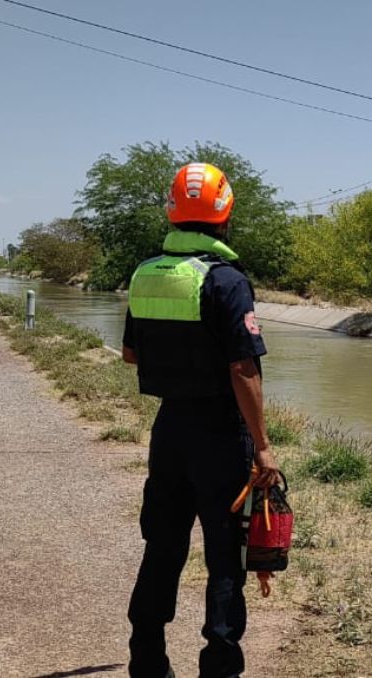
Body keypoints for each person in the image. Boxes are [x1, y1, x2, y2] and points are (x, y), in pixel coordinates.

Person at [121, 162, 281, 678]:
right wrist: (262, 447)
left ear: (173, 213)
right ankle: (219, 667)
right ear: (225, 213)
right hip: (220, 436)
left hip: (169, 432)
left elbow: (130, 355)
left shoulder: (146, 274)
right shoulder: (227, 281)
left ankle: (147, 662)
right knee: (224, 559)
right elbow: (243, 369)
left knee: (162, 548)